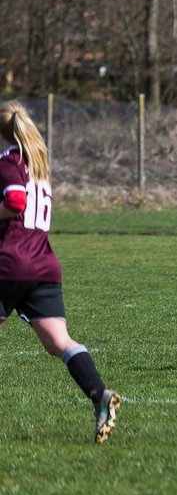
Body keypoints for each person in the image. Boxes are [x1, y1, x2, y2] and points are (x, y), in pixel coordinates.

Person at [0, 101, 120, 443]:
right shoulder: (37, 165)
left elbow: (15, 203)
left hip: (9, 263)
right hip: (43, 265)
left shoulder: (9, 162)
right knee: (60, 342)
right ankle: (100, 395)